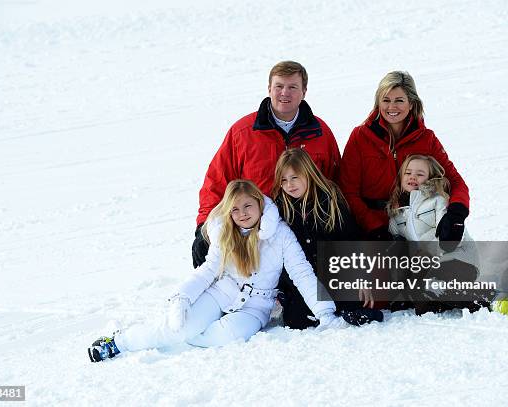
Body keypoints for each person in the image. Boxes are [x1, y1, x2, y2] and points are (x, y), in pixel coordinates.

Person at [88, 180, 344, 362]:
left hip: (256, 306)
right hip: (221, 293)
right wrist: (183, 296)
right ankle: (119, 342)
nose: (242, 214)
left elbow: (302, 273)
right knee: (178, 328)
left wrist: (325, 312)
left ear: (259, 204)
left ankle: (181, 336)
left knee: (223, 336)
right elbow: (209, 270)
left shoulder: (280, 234)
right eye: (235, 209)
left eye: (247, 207)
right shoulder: (225, 234)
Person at [192, 61, 341, 268]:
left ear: (304, 92)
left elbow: (335, 182)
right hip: (255, 230)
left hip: (306, 228)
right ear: (269, 88)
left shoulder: (320, 132)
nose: (284, 93)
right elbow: (217, 181)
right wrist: (204, 227)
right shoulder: (243, 132)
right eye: (279, 86)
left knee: (335, 289)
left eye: (292, 87)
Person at [339, 71, 469, 250]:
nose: (392, 107)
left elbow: (456, 182)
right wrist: (374, 226)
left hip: (419, 221)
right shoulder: (360, 137)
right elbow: (348, 191)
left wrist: (456, 214)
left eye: (399, 100)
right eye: (386, 100)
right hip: (372, 227)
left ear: (412, 103)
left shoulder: (426, 138)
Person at [272, 149, 383, 328]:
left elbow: (350, 240)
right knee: (297, 320)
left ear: (308, 173)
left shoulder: (329, 200)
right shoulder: (281, 207)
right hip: (305, 277)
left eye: (295, 177)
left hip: (334, 271)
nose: (289, 185)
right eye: (284, 180)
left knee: (355, 308)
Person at [386, 155, 497, 315]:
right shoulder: (396, 214)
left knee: (434, 285)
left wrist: (427, 255)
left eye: (419, 174)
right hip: (426, 266)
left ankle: (490, 297)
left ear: (431, 178)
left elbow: (449, 237)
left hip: (457, 258)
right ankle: (445, 299)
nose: (412, 177)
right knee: (422, 307)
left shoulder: (438, 200)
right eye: (408, 173)